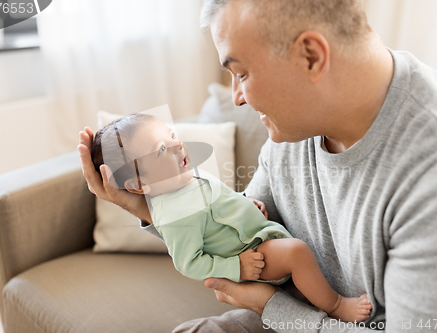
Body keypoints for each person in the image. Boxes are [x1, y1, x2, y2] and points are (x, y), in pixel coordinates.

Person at [78, 0, 437, 331]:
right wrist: (141, 207)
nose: (237, 98)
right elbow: (228, 231)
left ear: (311, 56)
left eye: (241, 73)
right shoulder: (296, 126)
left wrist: (271, 306)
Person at [89, 113, 372, 323]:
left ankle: (304, 298)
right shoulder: (175, 215)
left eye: (171, 136)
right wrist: (236, 266)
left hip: (255, 233)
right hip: (250, 255)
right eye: (161, 150)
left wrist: (246, 205)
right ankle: (335, 306)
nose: (177, 147)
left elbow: (218, 205)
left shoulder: (184, 178)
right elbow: (190, 262)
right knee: (296, 252)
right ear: (139, 185)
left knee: (294, 257)